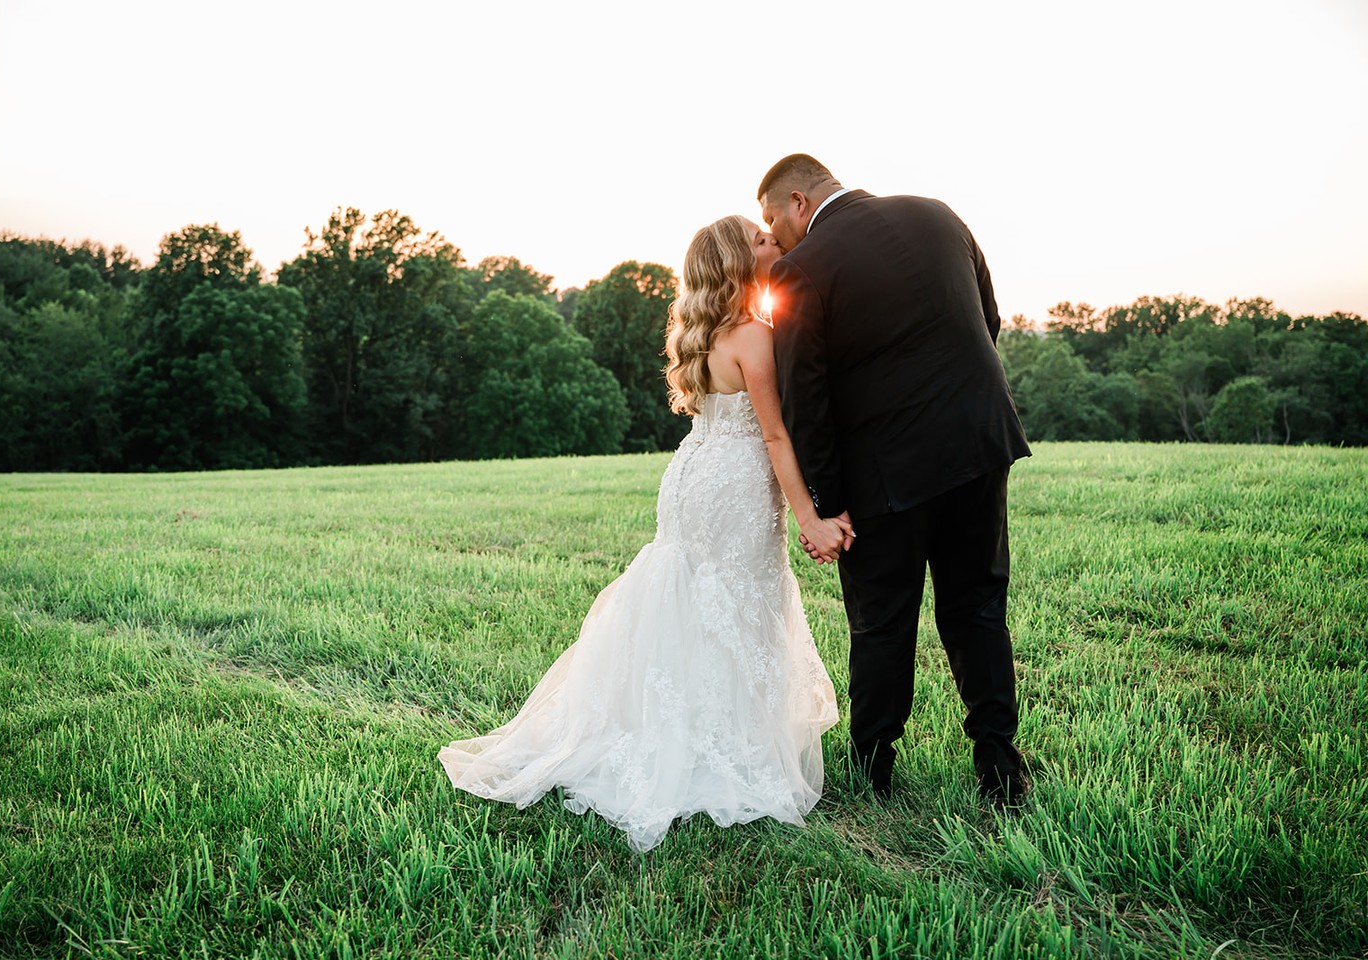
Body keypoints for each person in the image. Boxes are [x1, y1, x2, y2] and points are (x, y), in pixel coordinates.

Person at [439, 215, 845, 852]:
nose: (774, 244)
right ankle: (726, 746)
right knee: (741, 599)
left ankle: (685, 727)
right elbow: (774, 435)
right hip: (736, 481)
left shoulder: (696, 331)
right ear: (740, 262)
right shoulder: (754, 337)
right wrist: (810, 518)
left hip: (690, 473)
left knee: (691, 594)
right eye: (761, 241)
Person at [758, 154, 1032, 807]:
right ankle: (1000, 767)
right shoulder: (938, 215)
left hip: (886, 474)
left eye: (771, 218)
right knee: (979, 607)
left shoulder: (802, 268)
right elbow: (987, 321)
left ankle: (874, 768)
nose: (774, 234)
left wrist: (828, 503)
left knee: (882, 621)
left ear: (798, 202)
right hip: (978, 443)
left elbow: (807, 400)